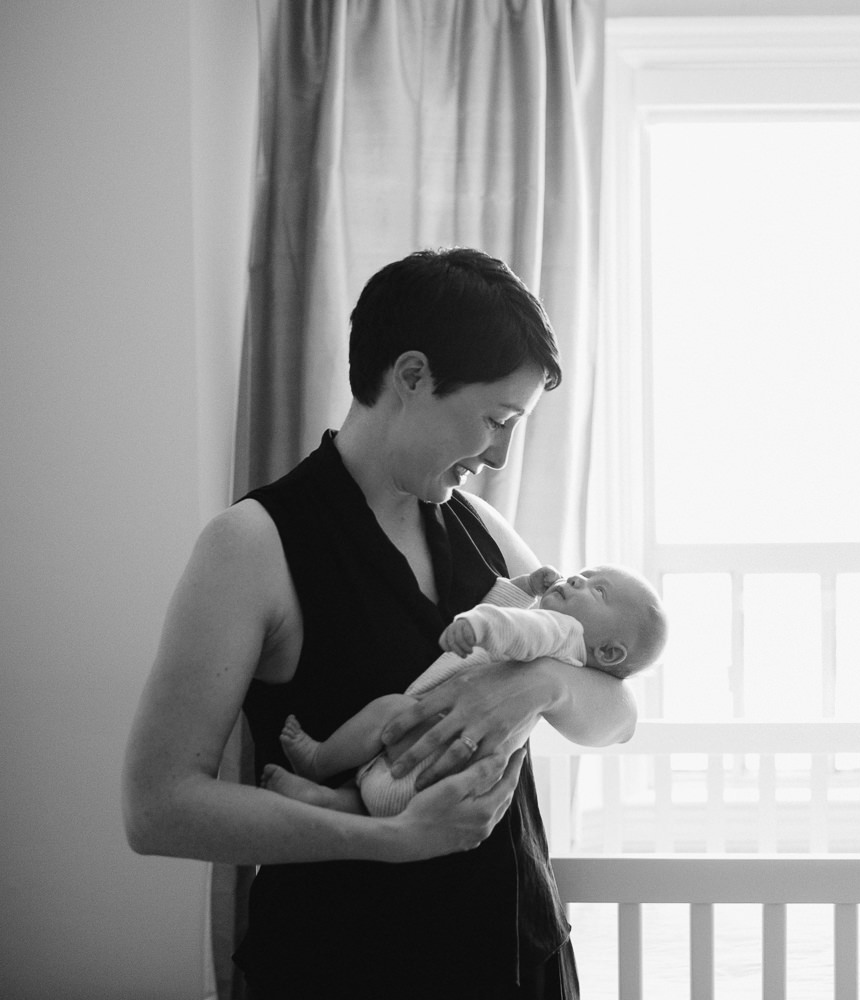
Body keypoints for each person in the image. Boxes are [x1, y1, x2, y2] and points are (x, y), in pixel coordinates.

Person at [122, 248, 637, 999]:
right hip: (348, 967)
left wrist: (543, 687)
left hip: (516, 958)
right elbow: (157, 808)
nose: (499, 455)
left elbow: (616, 716)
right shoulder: (253, 546)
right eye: (495, 420)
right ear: (411, 376)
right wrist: (385, 839)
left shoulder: (479, 528)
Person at [264, 562, 666, 817]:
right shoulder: (568, 640)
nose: (579, 577)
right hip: (438, 789)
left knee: (390, 709)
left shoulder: (563, 632)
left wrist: (481, 628)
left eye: (598, 591)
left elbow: (518, 628)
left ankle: (320, 761)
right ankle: (335, 801)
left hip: (419, 754)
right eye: (589, 572)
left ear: (610, 652)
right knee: (371, 786)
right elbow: (515, 612)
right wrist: (525, 585)